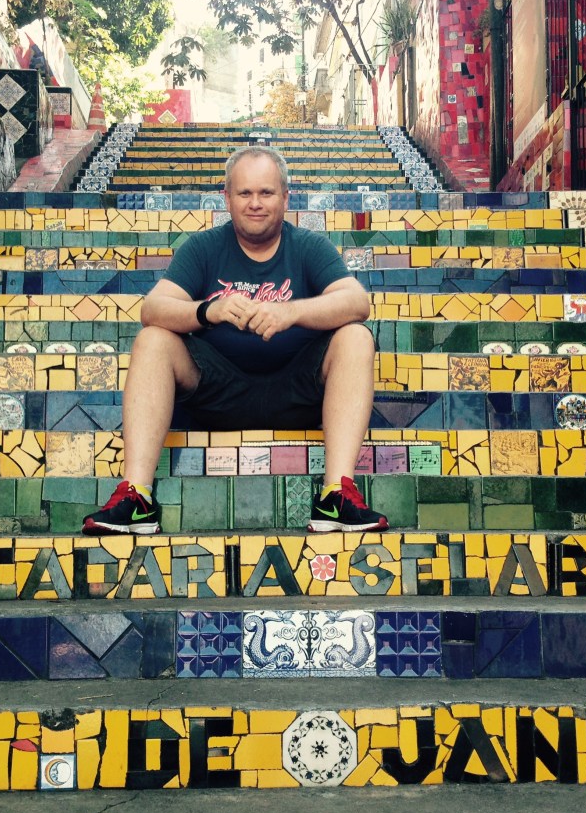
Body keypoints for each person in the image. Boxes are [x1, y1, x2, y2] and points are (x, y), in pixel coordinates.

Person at [82, 145, 389, 535]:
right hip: (217, 395)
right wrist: (208, 310)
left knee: (356, 336)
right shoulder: (204, 247)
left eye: (266, 192)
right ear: (227, 198)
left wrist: (291, 312)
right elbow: (152, 309)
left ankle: (336, 497)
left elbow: (357, 302)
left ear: (285, 198)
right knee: (153, 339)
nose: (255, 203)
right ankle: (137, 498)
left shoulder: (309, 246)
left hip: (298, 393)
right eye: (245, 193)